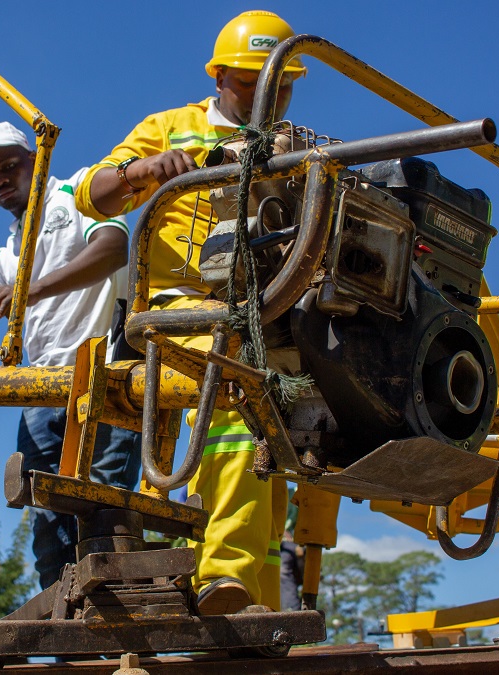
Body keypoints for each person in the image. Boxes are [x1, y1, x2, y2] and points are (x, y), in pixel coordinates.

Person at [74, 10, 305, 614]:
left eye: (285, 83)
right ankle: (221, 575)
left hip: (265, 309)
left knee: (284, 427)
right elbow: (91, 194)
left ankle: (252, 602)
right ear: (223, 75)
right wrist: (144, 172)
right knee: (239, 388)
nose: (275, 95)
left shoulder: (295, 148)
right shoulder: (171, 127)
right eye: (262, 82)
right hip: (180, 309)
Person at [0, 122, 143, 590]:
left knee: (102, 515)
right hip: (41, 390)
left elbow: (114, 249)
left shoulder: (79, 195)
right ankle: (66, 643)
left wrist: (27, 291)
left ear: (38, 162)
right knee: (49, 527)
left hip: (105, 377)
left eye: (9, 167)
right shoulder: (7, 251)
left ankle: (112, 641)